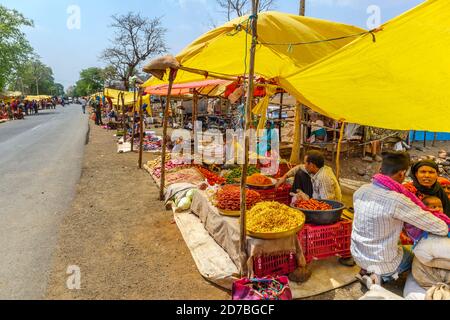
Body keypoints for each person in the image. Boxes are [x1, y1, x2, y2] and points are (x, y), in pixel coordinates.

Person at [352, 151, 449, 288]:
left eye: (431, 172)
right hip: (382, 261)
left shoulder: (361, 190)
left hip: (358, 255)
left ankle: (368, 271)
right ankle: (382, 277)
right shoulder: (399, 199)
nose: (427, 176)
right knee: (416, 257)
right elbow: (441, 227)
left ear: (380, 170)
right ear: (402, 174)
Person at [275, 150, 342, 202]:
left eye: (305, 163)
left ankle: (299, 199)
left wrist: (307, 200)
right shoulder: (316, 168)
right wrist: (284, 176)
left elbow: (328, 205)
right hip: (315, 195)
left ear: (312, 165)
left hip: (325, 209)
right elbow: (299, 167)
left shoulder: (323, 178)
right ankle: (295, 197)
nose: (304, 165)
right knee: (300, 173)